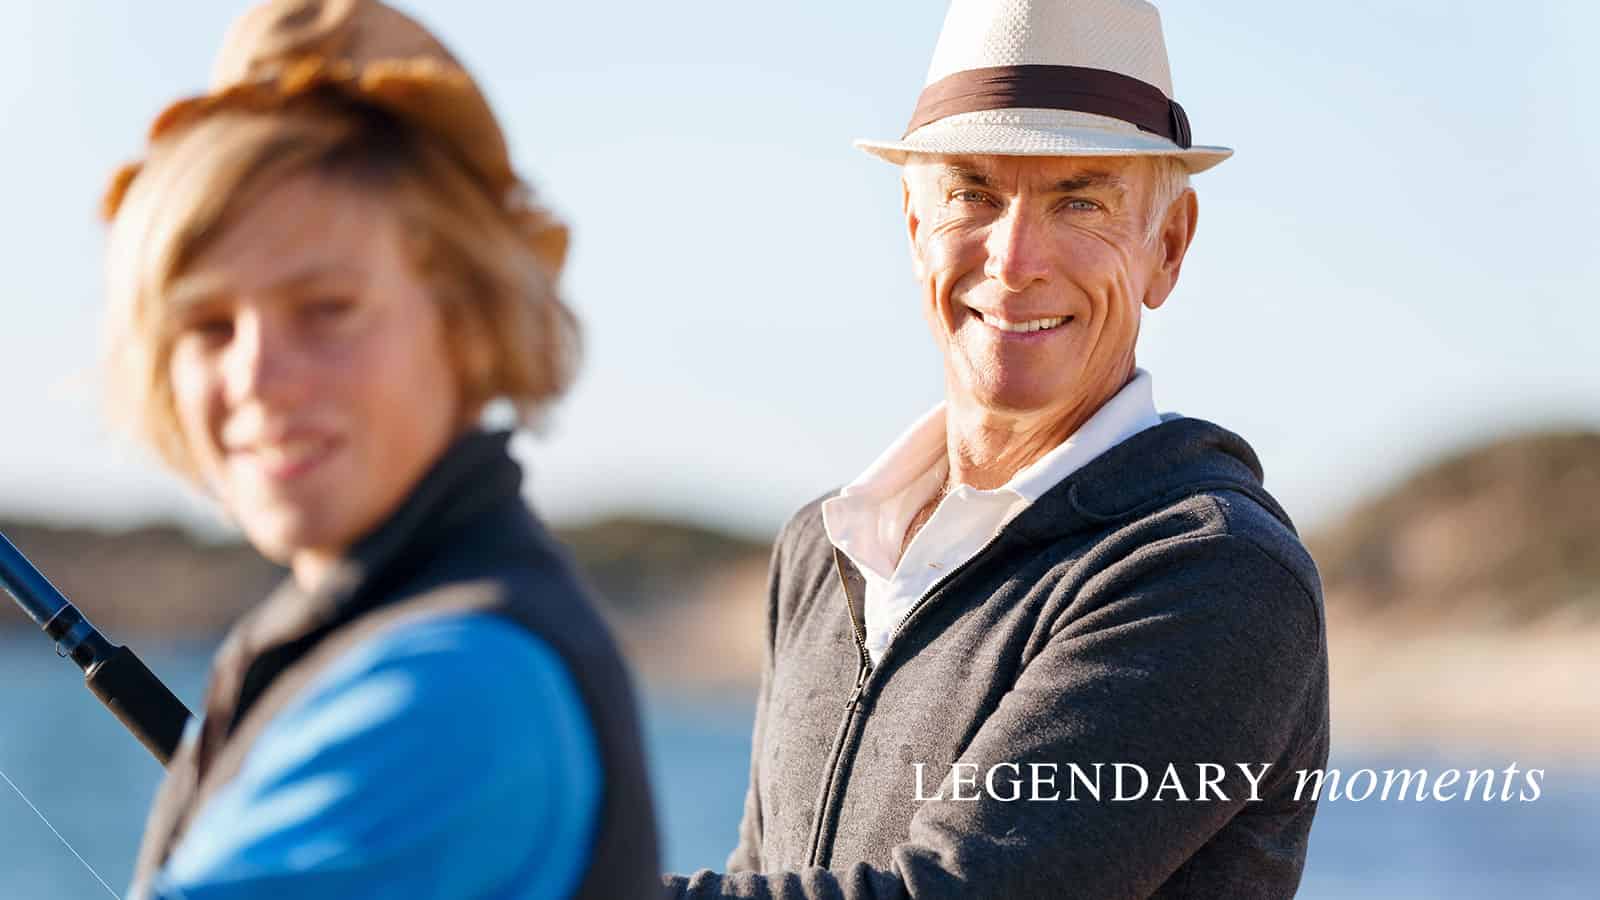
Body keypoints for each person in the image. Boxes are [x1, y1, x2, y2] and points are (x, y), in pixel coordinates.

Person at [666, 1, 1330, 898]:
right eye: (973, 193)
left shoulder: (1215, 572)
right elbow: (762, 873)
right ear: (913, 227)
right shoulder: (818, 554)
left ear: (1166, 247)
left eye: (1080, 199)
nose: (1015, 260)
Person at [99, 2, 660, 897]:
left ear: (469, 320)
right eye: (207, 324)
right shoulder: (367, 631)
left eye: (325, 309)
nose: (258, 375)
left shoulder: (460, 692)